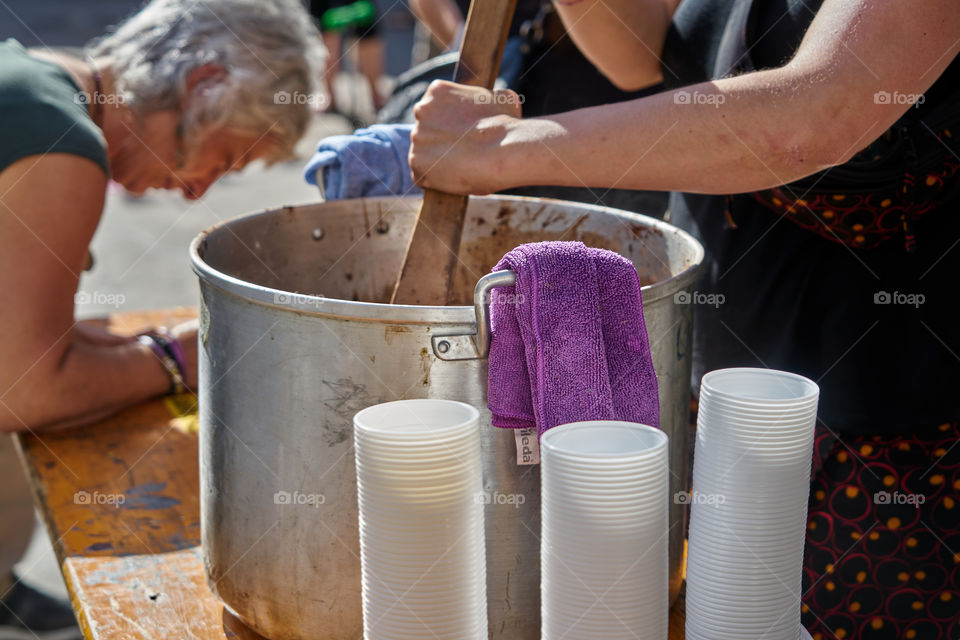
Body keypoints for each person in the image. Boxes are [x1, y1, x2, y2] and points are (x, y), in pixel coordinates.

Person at [408, 0, 960, 637]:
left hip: (892, 435)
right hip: (717, 384)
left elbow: (817, 115)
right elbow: (641, 56)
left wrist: (499, 149)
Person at [0, 0, 324, 635]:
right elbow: (21, 388)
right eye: (224, 157)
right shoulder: (60, 143)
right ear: (202, 82)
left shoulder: (33, 74)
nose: (198, 190)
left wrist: (138, 349)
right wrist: (178, 362)